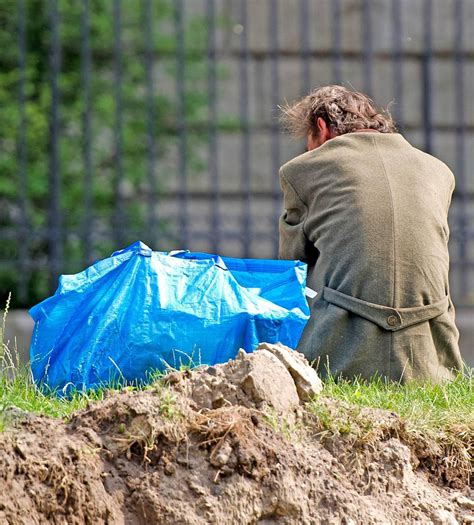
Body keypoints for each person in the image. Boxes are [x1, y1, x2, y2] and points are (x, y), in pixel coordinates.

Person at [278, 85, 463, 383]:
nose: (309, 151)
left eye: (308, 141)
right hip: (432, 363)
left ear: (322, 127)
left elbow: (291, 266)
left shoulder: (303, 170)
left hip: (340, 362)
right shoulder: (438, 171)